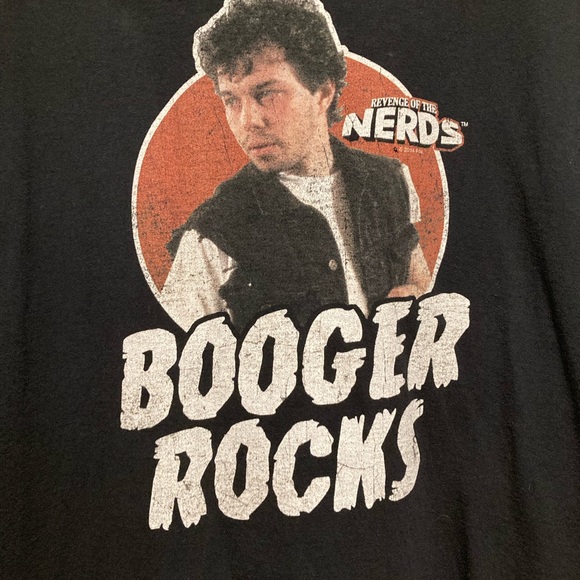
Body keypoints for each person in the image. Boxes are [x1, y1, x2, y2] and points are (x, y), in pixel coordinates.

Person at [160, 0, 431, 332]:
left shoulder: (389, 179)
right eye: (231, 100)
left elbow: (420, 283)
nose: (248, 121)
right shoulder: (210, 234)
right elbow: (182, 353)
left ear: (323, 92)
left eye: (267, 94)